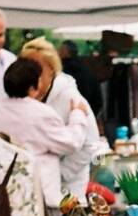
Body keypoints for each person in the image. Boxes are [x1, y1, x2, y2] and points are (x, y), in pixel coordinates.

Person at [0, 57, 91, 212]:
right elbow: (71, 143)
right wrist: (78, 115)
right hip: (36, 194)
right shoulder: (42, 114)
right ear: (33, 86)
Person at [20, 37, 100, 201]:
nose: (31, 74)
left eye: (37, 68)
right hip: (33, 186)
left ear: (51, 69)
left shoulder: (69, 96)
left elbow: (90, 143)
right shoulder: (24, 96)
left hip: (67, 188)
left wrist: (60, 174)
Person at [58, 40, 103, 120]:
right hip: (88, 113)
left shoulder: (61, 72)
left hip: (68, 116)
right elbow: (98, 100)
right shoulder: (87, 68)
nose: (57, 52)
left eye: (59, 49)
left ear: (65, 52)